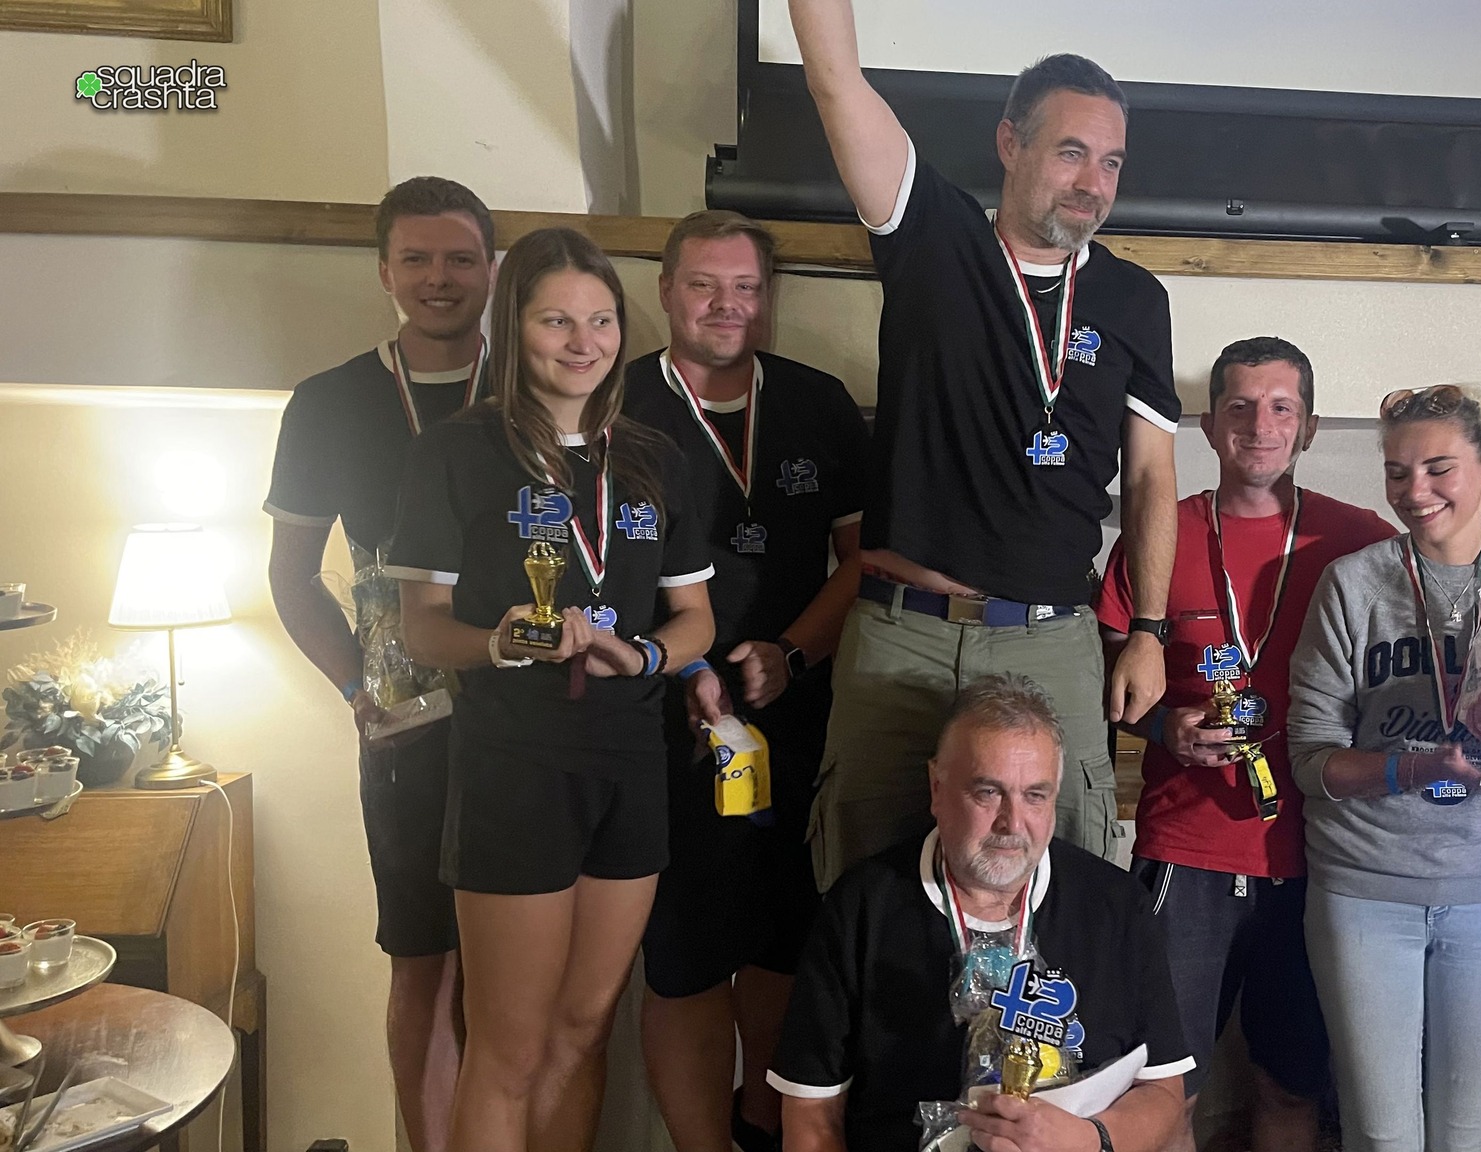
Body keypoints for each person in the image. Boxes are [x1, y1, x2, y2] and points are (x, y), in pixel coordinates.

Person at [788, 0, 1182, 884]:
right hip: (901, 636)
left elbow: (1152, 479)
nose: (1093, 182)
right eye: (1071, 152)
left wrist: (1150, 630)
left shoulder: (1134, 300)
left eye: (1111, 161)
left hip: (1051, 641)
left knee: (1066, 888)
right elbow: (835, 79)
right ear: (1010, 144)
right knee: (865, 888)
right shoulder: (930, 236)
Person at [386, 226, 716, 1152]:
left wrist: (643, 658)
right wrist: (497, 642)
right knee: (509, 1048)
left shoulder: (652, 456)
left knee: (583, 1031)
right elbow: (422, 626)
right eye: (556, 320)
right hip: (513, 764)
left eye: (601, 321)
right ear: (514, 327)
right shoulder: (456, 453)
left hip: (630, 760)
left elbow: (695, 619)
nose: (584, 342)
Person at [1287, 385, 1481, 1152]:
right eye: (1398, 473)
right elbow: (1310, 761)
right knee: (1380, 1134)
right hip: (1366, 890)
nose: (1415, 491)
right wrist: (1413, 769)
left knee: (1472, 1133)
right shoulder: (1353, 584)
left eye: (1438, 469)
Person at [1097, 338, 1396, 1152]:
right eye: (1239, 407)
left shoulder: (1359, 540)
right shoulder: (1159, 534)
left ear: (1309, 427)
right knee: (1163, 1093)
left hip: (1321, 856)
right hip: (1186, 851)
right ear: (1208, 425)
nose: (1260, 426)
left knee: (1289, 1085)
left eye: (1281, 408)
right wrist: (1163, 724)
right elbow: (1104, 675)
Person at [621, 209, 868, 1151]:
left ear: (769, 297)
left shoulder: (817, 401)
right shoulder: (616, 403)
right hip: (661, 718)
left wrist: (792, 654)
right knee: (683, 958)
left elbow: (862, 561)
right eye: (704, 285)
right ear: (666, 292)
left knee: (785, 944)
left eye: (747, 287)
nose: (727, 305)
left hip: (798, 711)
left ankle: (763, 1128)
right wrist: (678, 664)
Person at [262, 175, 495, 1152]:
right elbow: (290, 576)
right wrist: (359, 691)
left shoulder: (539, 385)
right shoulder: (329, 402)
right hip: (406, 730)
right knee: (423, 962)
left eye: (461, 258)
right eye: (417, 259)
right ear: (385, 272)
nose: (440, 278)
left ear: (492, 270)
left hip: (529, 722)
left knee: (515, 976)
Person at [771, 674, 1194, 1152]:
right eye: (988, 792)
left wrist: (1088, 1138)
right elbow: (811, 1112)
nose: (1012, 823)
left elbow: (1163, 1092)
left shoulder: (1117, 904)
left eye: (1035, 795)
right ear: (937, 788)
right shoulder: (861, 908)